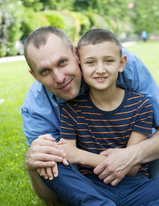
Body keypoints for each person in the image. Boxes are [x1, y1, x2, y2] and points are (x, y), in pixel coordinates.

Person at [22, 26, 159, 205]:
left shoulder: (120, 63)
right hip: (89, 184)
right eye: (45, 71)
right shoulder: (37, 110)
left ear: (76, 54)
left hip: (137, 179)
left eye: (62, 62)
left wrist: (131, 155)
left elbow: (133, 169)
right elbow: (53, 195)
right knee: (46, 157)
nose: (60, 77)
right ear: (35, 76)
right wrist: (34, 166)